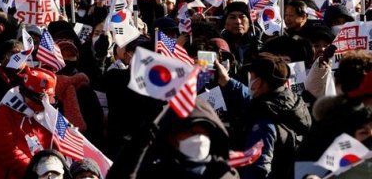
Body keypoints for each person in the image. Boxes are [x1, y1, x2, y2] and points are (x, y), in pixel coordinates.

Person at [216, 52, 311, 178]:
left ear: (258, 82)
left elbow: (258, 170)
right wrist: (228, 82)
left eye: (252, 77)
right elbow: (253, 102)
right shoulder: (286, 101)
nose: (250, 80)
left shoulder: (264, 125)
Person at [106, 99, 239, 178]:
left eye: (205, 134)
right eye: (193, 132)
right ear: (172, 136)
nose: (200, 139)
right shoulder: (152, 172)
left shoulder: (225, 175)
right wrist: (136, 147)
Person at [0, 66, 57, 179]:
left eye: (46, 101)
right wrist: (35, 171)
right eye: (38, 100)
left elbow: (51, 145)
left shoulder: (44, 114)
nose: (42, 105)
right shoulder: (6, 110)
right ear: (24, 93)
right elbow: (5, 150)